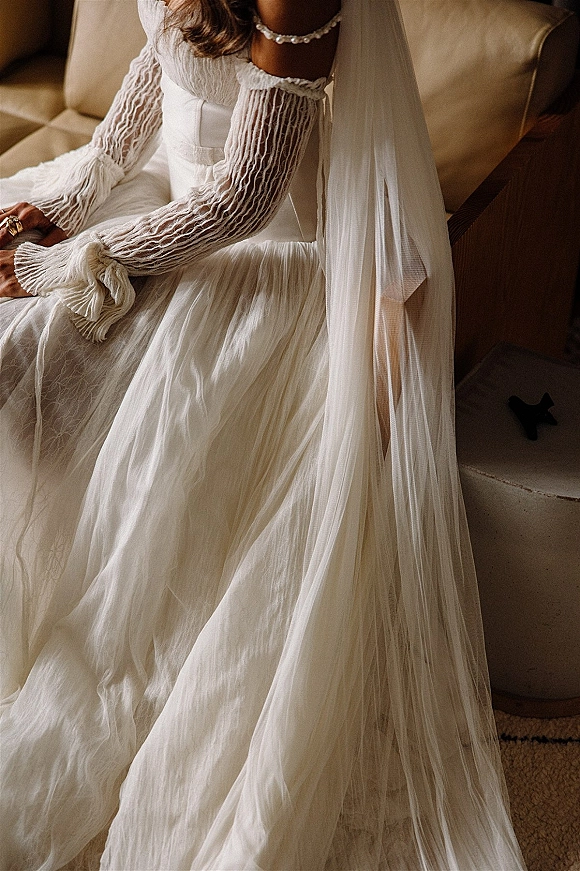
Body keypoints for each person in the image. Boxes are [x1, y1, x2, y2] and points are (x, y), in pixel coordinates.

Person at [0, 0, 526, 868]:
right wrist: (75, 196)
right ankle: (37, 589)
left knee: (73, 368)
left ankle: (86, 632)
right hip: (164, 195)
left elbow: (247, 196)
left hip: (259, 255)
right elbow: (159, 58)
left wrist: (66, 266)